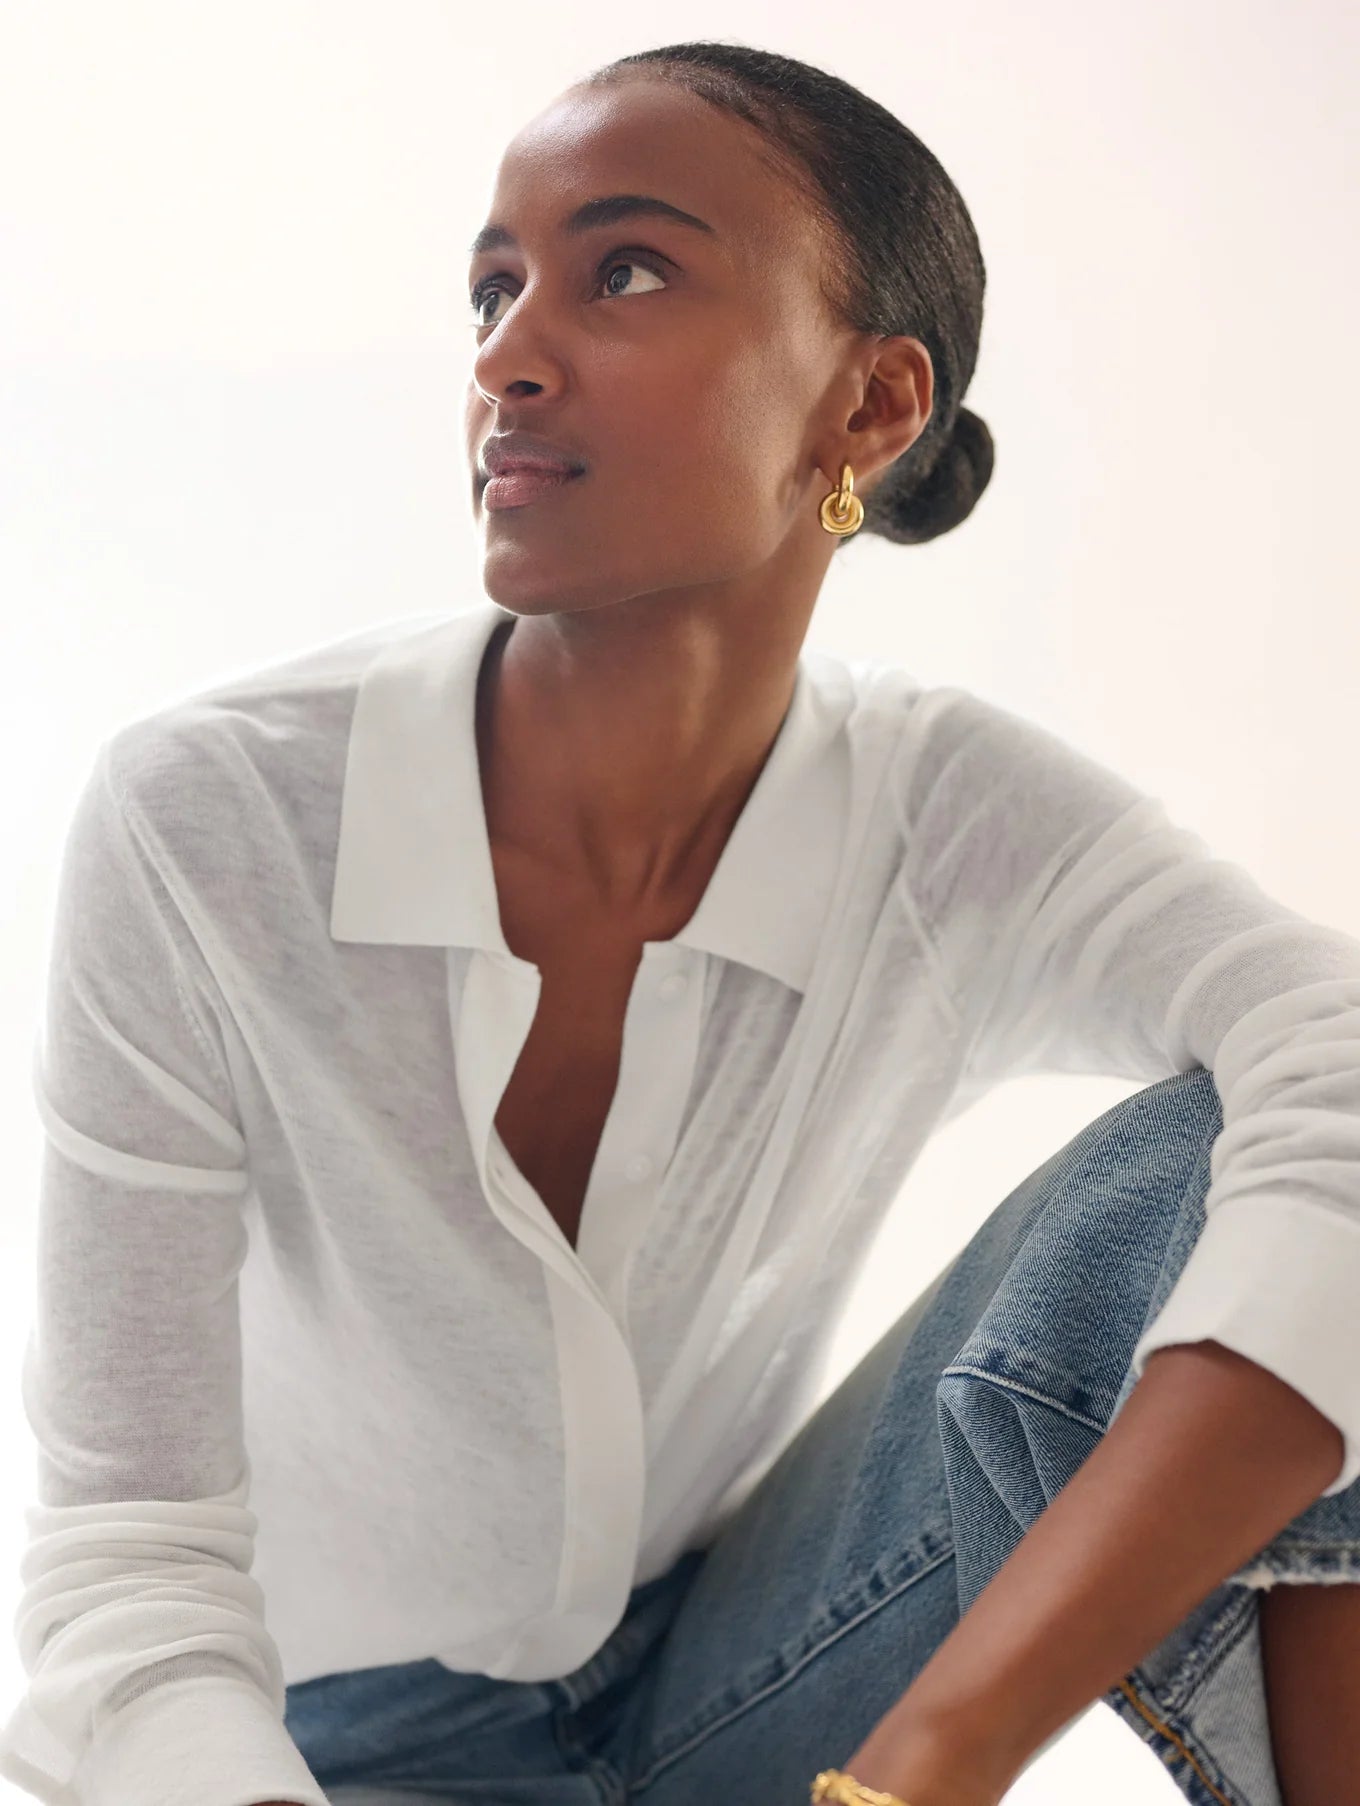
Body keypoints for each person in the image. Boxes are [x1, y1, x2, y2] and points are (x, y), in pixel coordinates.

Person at [4, 38, 1359, 1806]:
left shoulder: (943, 814)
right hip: (329, 1749)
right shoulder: (214, 819)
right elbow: (124, 1546)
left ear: (870, 408)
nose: (506, 353)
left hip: (753, 1679)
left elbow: (1330, 1058)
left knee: (1251, 1169)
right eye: (492, 288)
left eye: (622, 270)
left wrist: (935, 1760)